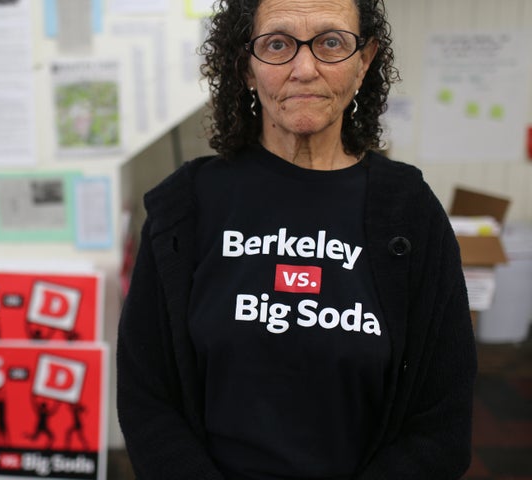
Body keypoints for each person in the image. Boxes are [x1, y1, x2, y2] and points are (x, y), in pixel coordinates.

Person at [116, 0, 477, 478]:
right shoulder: (186, 207)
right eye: (278, 44)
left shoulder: (410, 214)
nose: (304, 69)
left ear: (364, 61)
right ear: (247, 66)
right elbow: (147, 398)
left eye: (331, 43)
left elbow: (442, 422)